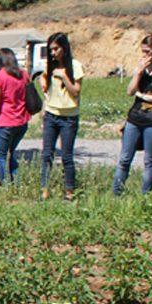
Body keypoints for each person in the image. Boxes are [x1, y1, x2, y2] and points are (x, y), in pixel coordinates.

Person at [112, 35, 152, 195]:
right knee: (124, 160)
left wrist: (143, 96)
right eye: (142, 52)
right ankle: (116, 194)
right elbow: (130, 91)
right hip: (134, 120)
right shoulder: (141, 69)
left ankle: (145, 197)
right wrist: (138, 73)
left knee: (149, 161)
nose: (145, 55)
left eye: (148, 51)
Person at [39, 32, 84, 200]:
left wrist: (64, 77)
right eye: (50, 50)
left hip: (69, 118)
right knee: (46, 154)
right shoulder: (49, 66)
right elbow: (42, 79)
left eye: (55, 49)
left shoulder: (76, 66)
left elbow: (76, 91)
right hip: (51, 115)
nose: (52, 53)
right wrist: (43, 84)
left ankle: (69, 192)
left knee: (66, 156)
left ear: (64, 48)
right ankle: (44, 190)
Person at [0, 48, 32, 184]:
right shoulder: (24, 74)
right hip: (22, 122)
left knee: (1, 155)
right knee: (11, 151)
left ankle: (3, 185)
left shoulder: (0, 76)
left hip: (5, 122)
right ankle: (16, 182)